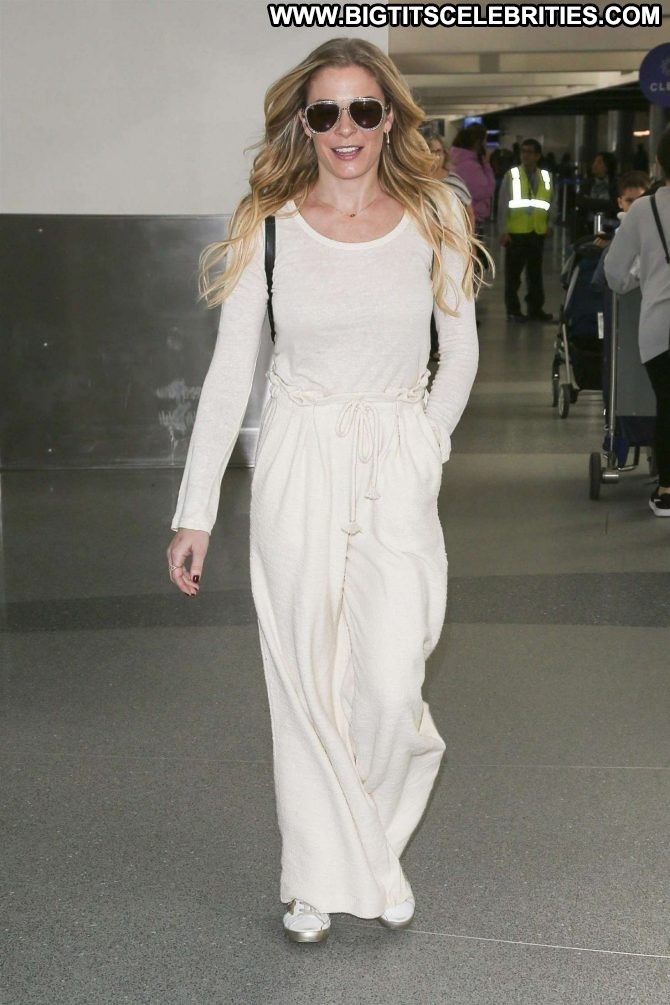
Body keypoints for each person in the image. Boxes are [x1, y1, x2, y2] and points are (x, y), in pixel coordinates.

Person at [166, 37, 481, 942]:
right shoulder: (267, 225)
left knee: (389, 681)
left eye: (364, 109)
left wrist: (423, 446)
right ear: (303, 123)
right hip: (299, 454)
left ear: (390, 119)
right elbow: (232, 374)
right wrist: (195, 512)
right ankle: (316, 876)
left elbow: (459, 352)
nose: (346, 128)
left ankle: (367, 850)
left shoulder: (435, 215)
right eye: (326, 111)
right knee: (305, 678)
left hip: (396, 455)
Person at [605, 129, 670, 517]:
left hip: (659, 328)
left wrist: (640, 278)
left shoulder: (644, 210)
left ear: (658, 163)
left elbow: (615, 272)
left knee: (668, 405)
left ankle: (667, 490)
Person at [498, 137, 556, 323]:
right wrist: (503, 230)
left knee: (535, 275)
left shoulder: (546, 177)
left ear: (538, 155)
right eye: (523, 151)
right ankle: (513, 311)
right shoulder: (512, 175)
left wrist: (550, 224)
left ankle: (535, 309)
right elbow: (503, 204)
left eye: (530, 152)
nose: (525, 155)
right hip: (516, 232)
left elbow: (551, 202)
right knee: (513, 276)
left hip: (537, 231)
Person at [449, 125, 496, 234]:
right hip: (471, 217)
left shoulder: (457, 159)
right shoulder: (470, 166)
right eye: (485, 140)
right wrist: (487, 165)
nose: (486, 145)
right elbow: (486, 190)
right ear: (478, 143)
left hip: (459, 216)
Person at [428, 134, 476, 232]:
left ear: (444, 154)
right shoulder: (416, 182)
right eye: (431, 151)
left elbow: (469, 214)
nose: (436, 156)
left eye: (438, 151)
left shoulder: (454, 181)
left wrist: (468, 239)